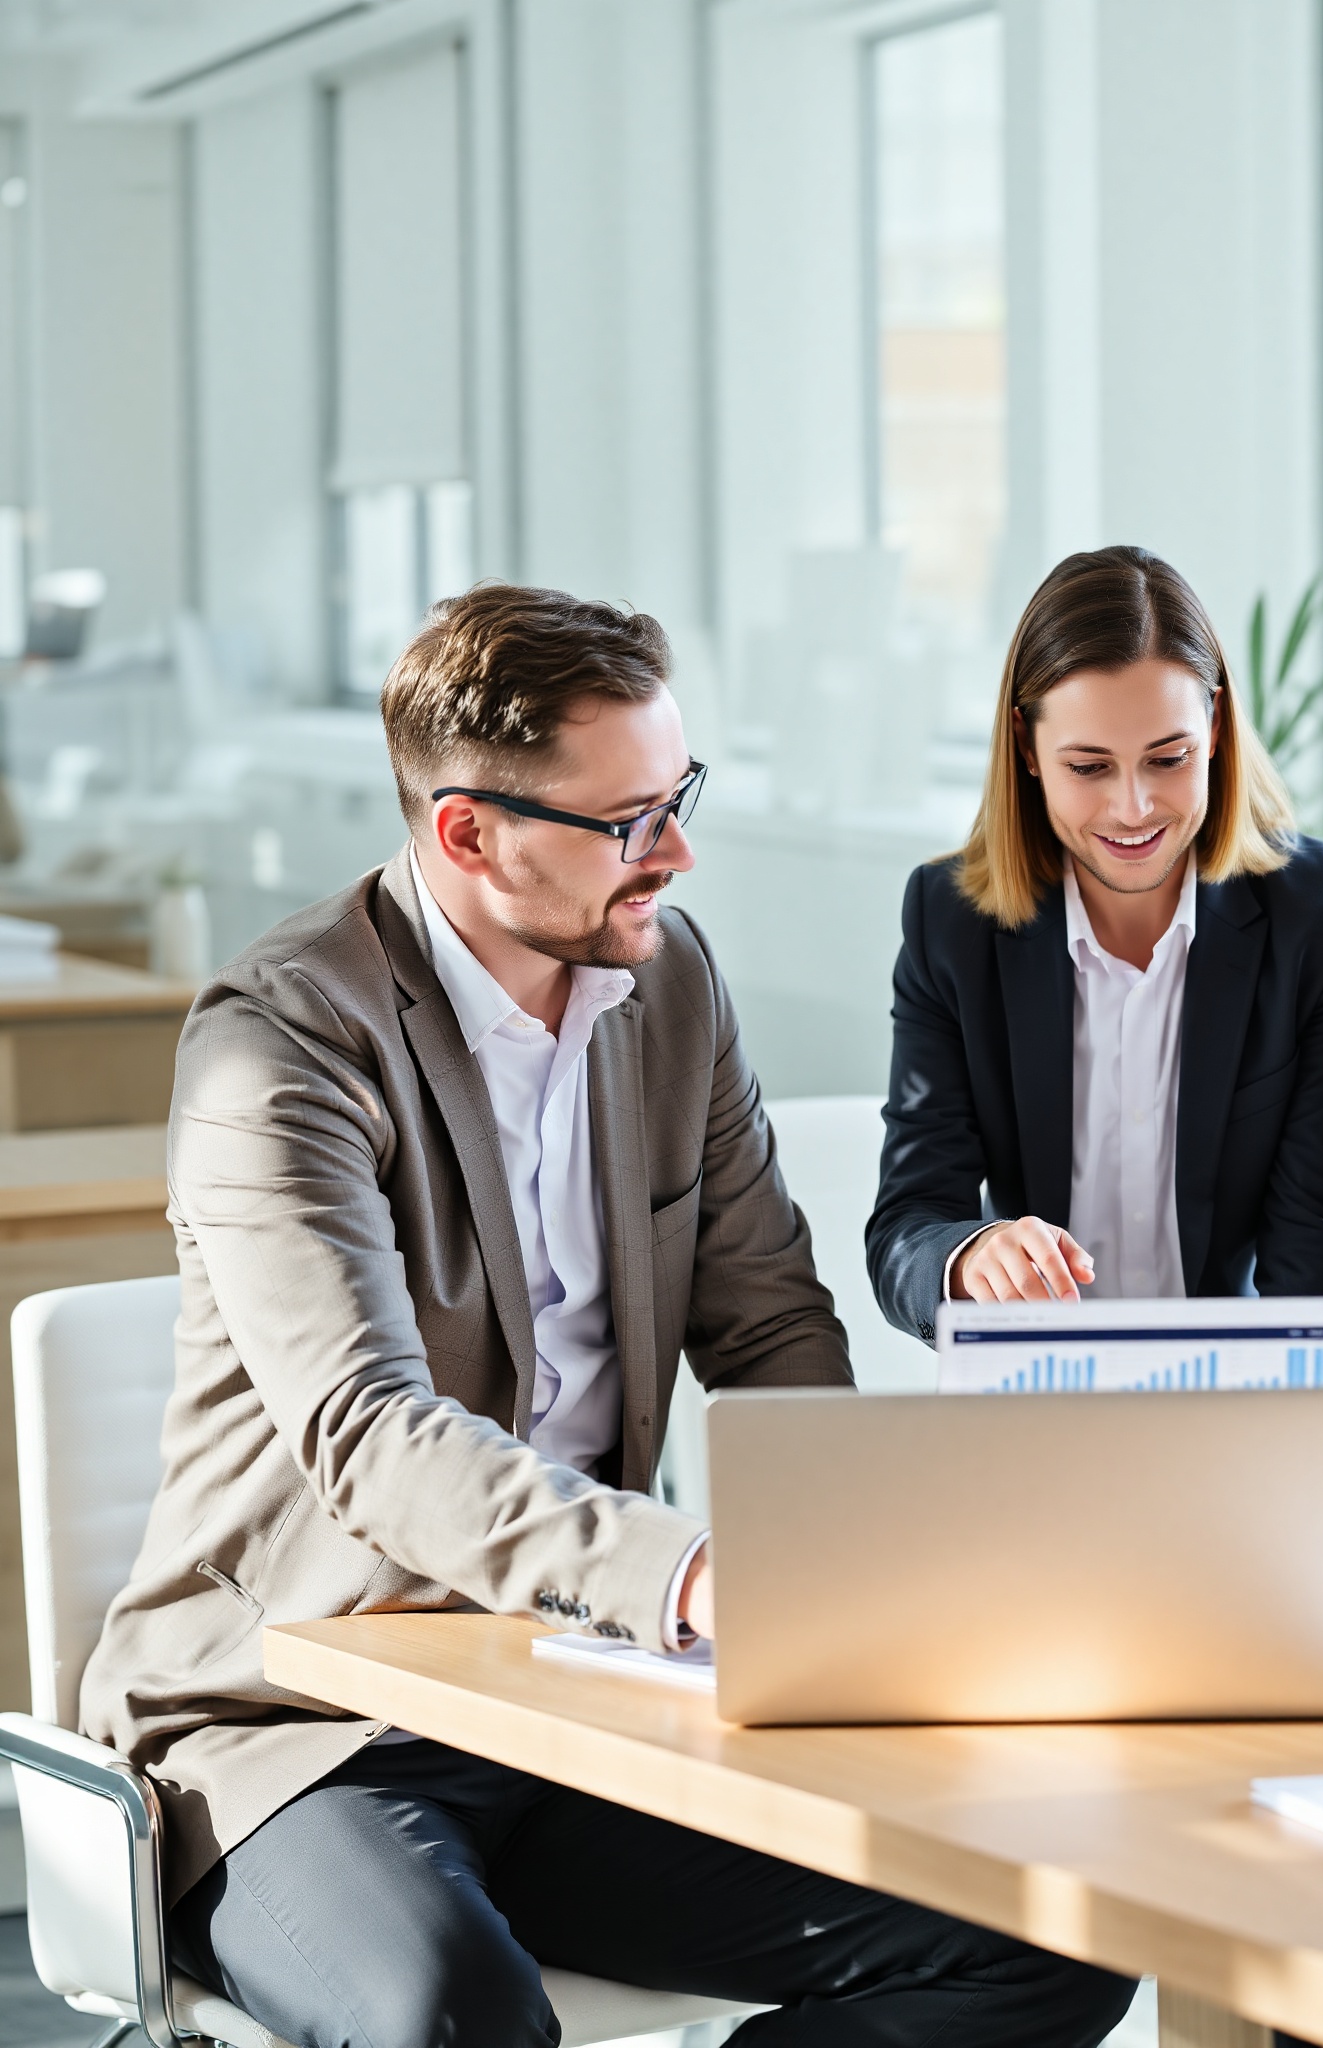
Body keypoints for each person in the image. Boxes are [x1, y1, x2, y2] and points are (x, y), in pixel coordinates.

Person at [79, 585, 1134, 2048]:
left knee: (1048, 1937)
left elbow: (768, 1326)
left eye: (678, 794)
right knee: (457, 2019)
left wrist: (847, 1565)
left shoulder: (671, 986)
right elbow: (374, 1435)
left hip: (577, 1706)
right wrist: (698, 1575)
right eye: (630, 820)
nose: (679, 852)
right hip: (300, 1737)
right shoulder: (281, 1050)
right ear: (467, 833)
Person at [867, 545, 1323, 1338]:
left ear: (1214, 727)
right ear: (1026, 749)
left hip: (1236, 1393)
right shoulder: (951, 924)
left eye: (1167, 758)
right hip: (1037, 1400)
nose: (1133, 808)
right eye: (1089, 766)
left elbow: (1316, 1250)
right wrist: (972, 1255)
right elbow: (909, 1226)